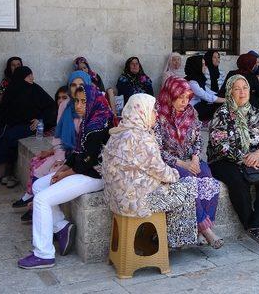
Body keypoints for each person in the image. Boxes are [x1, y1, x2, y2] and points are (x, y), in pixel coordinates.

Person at [18, 85, 113, 269]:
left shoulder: (99, 125)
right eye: (76, 101)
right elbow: (77, 153)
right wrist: (63, 169)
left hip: (95, 175)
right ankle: (61, 226)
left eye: (83, 101)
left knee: (41, 200)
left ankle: (44, 254)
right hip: (83, 171)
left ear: (93, 101)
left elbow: (87, 160)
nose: (78, 105)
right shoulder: (88, 121)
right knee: (39, 187)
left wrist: (64, 174)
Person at [101, 93, 198, 249]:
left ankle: (161, 239)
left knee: (176, 188)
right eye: (153, 110)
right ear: (142, 111)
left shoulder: (117, 133)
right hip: (135, 202)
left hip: (116, 199)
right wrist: (176, 174)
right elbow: (161, 171)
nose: (156, 114)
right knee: (187, 188)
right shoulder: (141, 137)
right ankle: (170, 243)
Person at [207, 75, 259, 246]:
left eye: (245, 88)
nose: (242, 92)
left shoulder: (256, 113)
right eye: (237, 88)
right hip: (223, 159)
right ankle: (251, 225)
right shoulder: (222, 114)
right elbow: (219, 145)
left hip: (253, 157)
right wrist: (244, 158)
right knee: (237, 180)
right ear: (230, 91)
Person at [13, 72, 92, 222]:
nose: (76, 88)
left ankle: (39, 211)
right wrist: (59, 156)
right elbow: (58, 135)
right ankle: (36, 206)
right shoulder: (65, 105)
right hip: (65, 151)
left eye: (81, 85)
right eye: (73, 85)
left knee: (53, 173)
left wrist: (65, 161)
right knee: (39, 167)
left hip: (79, 156)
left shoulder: (92, 106)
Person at [155, 77, 223, 248]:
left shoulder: (191, 112)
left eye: (187, 97)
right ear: (170, 95)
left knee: (208, 180)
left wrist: (194, 158)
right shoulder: (158, 115)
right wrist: (182, 164)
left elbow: (198, 140)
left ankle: (200, 231)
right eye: (180, 98)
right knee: (189, 182)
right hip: (170, 163)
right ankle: (206, 230)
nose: (184, 102)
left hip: (190, 159)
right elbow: (157, 149)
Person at [0, 67, 56, 185]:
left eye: (31, 75)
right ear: (21, 77)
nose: (32, 77)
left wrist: (40, 120)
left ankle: (5, 169)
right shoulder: (12, 90)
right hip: (11, 123)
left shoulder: (35, 89)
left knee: (10, 137)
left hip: (30, 125)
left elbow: (51, 107)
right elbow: (3, 111)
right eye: (29, 75)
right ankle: (3, 170)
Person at [220, 53, 259, 121]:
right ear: (250, 64)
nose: (255, 65)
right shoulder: (251, 76)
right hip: (244, 103)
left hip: (230, 101)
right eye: (254, 63)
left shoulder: (231, 73)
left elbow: (223, 90)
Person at [184, 55, 226, 121]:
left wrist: (222, 96)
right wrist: (225, 100)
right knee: (218, 104)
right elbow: (205, 96)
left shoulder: (198, 79)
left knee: (220, 99)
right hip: (192, 109)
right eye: (203, 64)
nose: (205, 67)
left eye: (205, 64)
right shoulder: (192, 82)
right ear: (196, 66)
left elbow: (209, 91)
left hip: (199, 104)